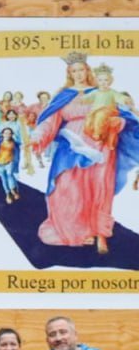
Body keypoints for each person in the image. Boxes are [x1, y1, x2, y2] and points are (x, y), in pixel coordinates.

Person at [31, 54, 139, 255]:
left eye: (81, 70)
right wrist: (38, 135)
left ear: (87, 71)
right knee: (65, 187)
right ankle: (72, 231)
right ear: (69, 74)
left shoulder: (102, 92)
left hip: (100, 144)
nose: (78, 74)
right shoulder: (63, 95)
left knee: (98, 188)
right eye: (74, 71)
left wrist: (117, 124)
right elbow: (50, 120)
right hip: (70, 145)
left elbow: (122, 115)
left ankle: (98, 233)